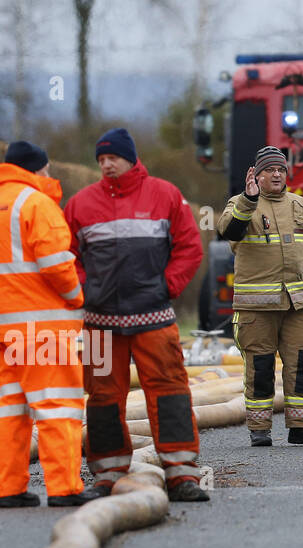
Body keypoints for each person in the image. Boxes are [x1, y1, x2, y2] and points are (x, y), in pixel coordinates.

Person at [63, 128, 209, 502]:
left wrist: (167, 287)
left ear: (130, 158)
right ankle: (107, 473)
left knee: (170, 392)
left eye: (112, 157)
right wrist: (85, 291)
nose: (106, 164)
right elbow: (66, 258)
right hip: (99, 323)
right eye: (100, 160)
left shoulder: (165, 195)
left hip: (154, 319)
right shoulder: (80, 204)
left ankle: (182, 475)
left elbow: (190, 248)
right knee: (101, 398)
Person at [0, 140, 93, 507]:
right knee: (57, 408)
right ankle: (64, 488)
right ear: (37, 170)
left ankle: (10, 490)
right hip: (43, 332)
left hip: (0, 333)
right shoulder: (38, 205)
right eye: (47, 170)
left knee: (8, 412)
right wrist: (76, 297)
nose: (50, 176)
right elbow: (56, 265)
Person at [218, 146, 303, 447]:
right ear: (256, 175)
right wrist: (249, 199)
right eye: (269, 170)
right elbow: (228, 231)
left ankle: (301, 427)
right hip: (257, 308)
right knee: (260, 367)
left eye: (281, 169)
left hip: (298, 303)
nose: (277, 174)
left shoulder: (300, 205)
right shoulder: (240, 204)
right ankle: (260, 430)